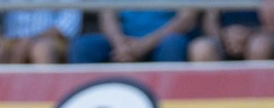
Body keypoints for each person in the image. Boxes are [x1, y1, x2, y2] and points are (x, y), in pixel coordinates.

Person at [70, 8, 199, 64]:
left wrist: (145, 44)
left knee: (173, 44)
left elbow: (186, 18)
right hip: (122, 41)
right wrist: (119, 44)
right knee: (83, 46)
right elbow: (107, 16)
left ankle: (172, 104)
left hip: (161, 40)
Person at [0, 5, 81, 64]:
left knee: (41, 50)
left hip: (50, 39)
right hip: (10, 39)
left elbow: (68, 23)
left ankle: (44, 101)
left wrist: (30, 40)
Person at [188, 4, 274, 62]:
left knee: (260, 47)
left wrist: (251, 33)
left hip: (263, 34)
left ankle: (258, 98)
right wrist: (223, 37)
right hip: (222, 38)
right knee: (202, 50)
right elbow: (209, 19)